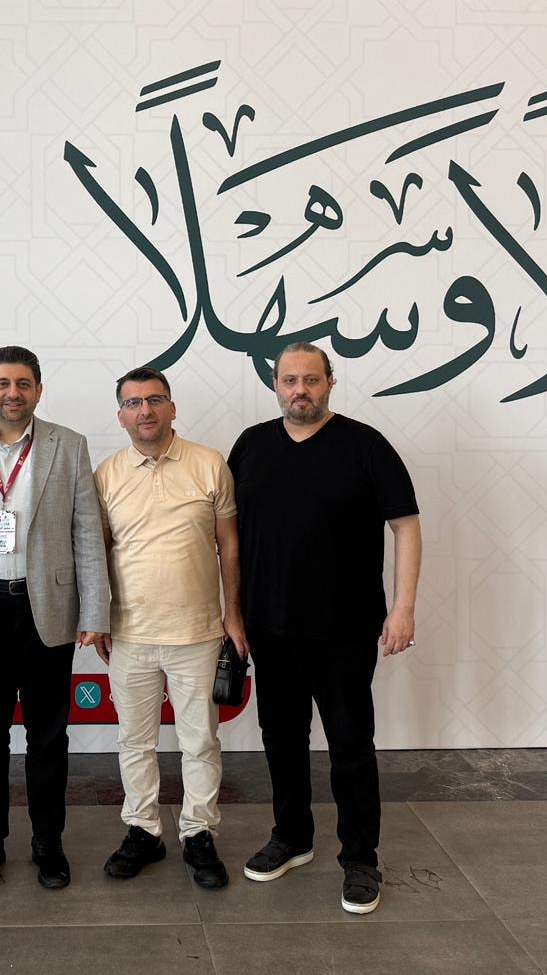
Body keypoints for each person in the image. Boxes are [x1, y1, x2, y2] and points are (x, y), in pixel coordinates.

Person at [227, 342, 421, 915]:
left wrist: (404, 607)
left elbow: (406, 526)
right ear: (275, 385)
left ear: (330, 382)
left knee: (350, 746)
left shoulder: (366, 445)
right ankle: (292, 837)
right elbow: (228, 537)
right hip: (269, 626)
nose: (300, 390)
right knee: (281, 739)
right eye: (290, 380)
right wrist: (231, 612)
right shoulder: (251, 446)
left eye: (311, 379)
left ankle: (360, 858)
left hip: (345, 629)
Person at [0, 345, 110, 891]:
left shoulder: (68, 445)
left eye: (23, 384)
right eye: (3, 384)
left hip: (46, 609)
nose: (13, 393)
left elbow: (87, 532)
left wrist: (95, 608)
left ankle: (48, 843)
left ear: (38, 390)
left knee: (48, 737)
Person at [93, 367, 245, 889]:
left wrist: (233, 613)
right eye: (133, 403)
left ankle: (198, 833)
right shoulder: (106, 474)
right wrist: (97, 618)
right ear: (120, 416)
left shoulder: (209, 464)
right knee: (134, 742)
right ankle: (143, 831)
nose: (145, 410)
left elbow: (229, 546)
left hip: (198, 633)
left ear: (172, 408)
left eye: (155, 399)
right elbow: (96, 554)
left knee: (199, 742)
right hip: (129, 634)